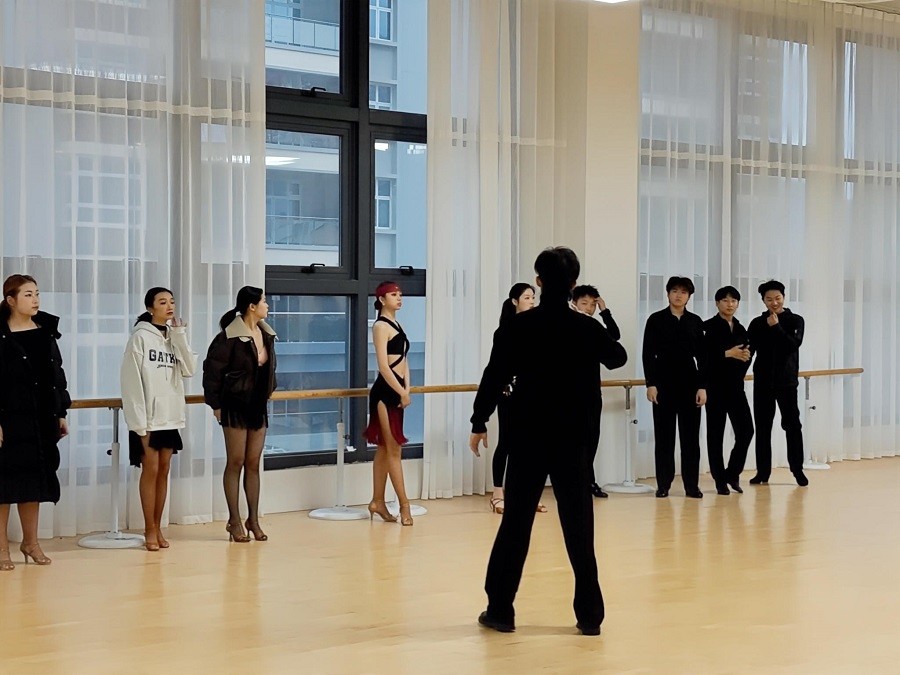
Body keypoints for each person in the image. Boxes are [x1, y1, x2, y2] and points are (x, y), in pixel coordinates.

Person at [469, 247, 627, 636]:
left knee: (516, 523)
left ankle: (501, 610)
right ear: (574, 283)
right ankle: (589, 616)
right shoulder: (586, 328)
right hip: (574, 437)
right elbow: (618, 357)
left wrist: (479, 419)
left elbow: (494, 374)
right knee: (579, 525)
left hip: (530, 435)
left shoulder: (518, 327)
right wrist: (598, 322)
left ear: (539, 282)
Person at [0, 274, 71, 569]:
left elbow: (57, 375)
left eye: (37, 293)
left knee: (34, 482)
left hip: (41, 417)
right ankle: (1, 549)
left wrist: (61, 412)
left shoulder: (45, 331)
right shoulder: (1, 333)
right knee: (4, 486)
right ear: (11, 300)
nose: (35, 300)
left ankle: (31, 543)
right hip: (8, 419)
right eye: (28, 294)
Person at [121, 287, 197, 551]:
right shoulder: (139, 337)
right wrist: (139, 422)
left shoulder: (174, 336)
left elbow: (189, 370)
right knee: (150, 470)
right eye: (162, 302)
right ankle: (149, 529)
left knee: (164, 470)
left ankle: (158, 526)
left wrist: (180, 335)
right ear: (150, 308)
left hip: (170, 416)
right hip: (148, 417)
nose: (169, 306)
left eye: (172, 301)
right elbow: (131, 382)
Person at [203, 286, 278, 542]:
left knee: (253, 463)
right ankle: (234, 521)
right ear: (251, 306)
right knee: (235, 461)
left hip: (257, 404)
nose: (267, 305)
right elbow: (212, 372)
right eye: (264, 301)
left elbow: (270, 368)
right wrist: (216, 405)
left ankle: (253, 519)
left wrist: (269, 389)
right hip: (234, 404)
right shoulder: (228, 337)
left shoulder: (266, 334)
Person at [642, 276, 707, 499]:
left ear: (689, 296)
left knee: (690, 440)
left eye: (683, 292)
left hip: (690, 383)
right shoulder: (655, 319)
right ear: (668, 293)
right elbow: (648, 354)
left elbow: (703, 357)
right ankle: (663, 484)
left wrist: (702, 386)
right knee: (664, 438)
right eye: (675, 291)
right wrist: (651, 383)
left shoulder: (695, 321)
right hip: (663, 384)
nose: (678, 295)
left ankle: (692, 485)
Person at [488, 283, 548, 515]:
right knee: (506, 441)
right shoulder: (505, 330)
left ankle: (528, 495)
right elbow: (496, 368)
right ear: (515, 301)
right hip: (509, 392)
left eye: (533, 297)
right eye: (526, 298)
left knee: (531, 444)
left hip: (533, 393)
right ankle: (497, 493)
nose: (531, 301)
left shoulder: (539, 327)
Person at [747, 280, 807, 487]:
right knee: (763, 428)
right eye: (769, 299)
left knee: (793, 426)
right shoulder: (756, 323)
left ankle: (797, 470)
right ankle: (762, 473)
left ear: (784, 297)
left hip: (787, 383)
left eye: (777, 298)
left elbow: (793, 345)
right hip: (762, 383)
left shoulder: (796, 320)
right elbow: (749, 351)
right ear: (763, 300)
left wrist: (776, 327)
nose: (774, 302)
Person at [364, 282, 414, 526]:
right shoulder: (380, 326)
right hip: (385, 392)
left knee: (386, 448)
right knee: (393, 449)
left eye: (400, 294)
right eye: (394, 295)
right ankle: (404, 505)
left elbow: (404, 360)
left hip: (398, 389)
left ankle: (377, 501)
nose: (399, 298)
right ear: (382, 299)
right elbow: (383, 366)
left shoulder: (398, 324)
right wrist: (401, 392)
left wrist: (407, 389)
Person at [571, 284, 622, 499]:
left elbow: (614, 337)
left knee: (592, 437)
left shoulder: (594, 326)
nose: (589, 308)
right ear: (574, 303)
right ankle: (575, 482)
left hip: (591, 390)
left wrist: (605, 311)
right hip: (569, 393)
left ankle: (588, 481)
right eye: (585, 303)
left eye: (593, 304)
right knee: (575, 440)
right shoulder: (569, 323)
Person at [703, 286, 753, 495]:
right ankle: (719, 479)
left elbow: (746, 355)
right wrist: (727, 354)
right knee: (715, 435)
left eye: (733, 301)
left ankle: (732, 473)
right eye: (725, 300)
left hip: (735, 387)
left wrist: (744, 357)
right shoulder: (707, 327)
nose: (730, 304)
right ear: (717, 303)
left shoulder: (741, 328)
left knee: (747, 431)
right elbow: (703, 358)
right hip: (714, 388)